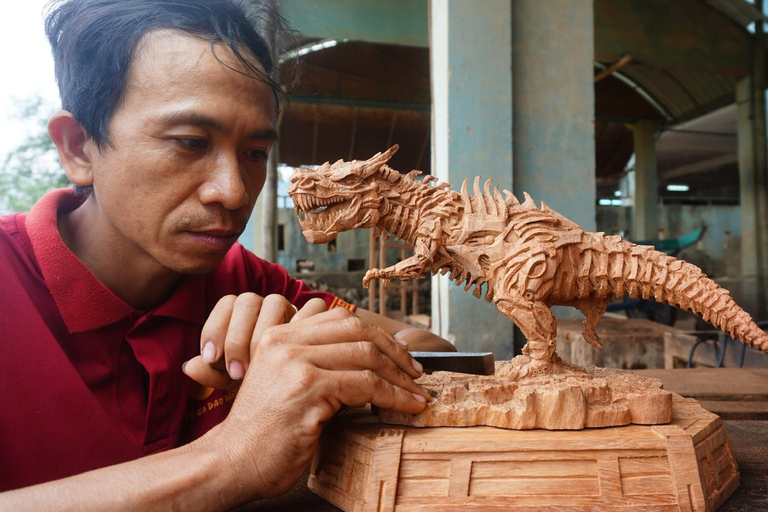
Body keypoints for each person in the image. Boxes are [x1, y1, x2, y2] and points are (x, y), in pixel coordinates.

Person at [0, 0, 453, 508]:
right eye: (191, 142)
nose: (234, 191)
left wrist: (311, 363)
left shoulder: (249, 285)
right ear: (79, 147)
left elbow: (433, 350)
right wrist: (233, 456)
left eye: (255, 153)